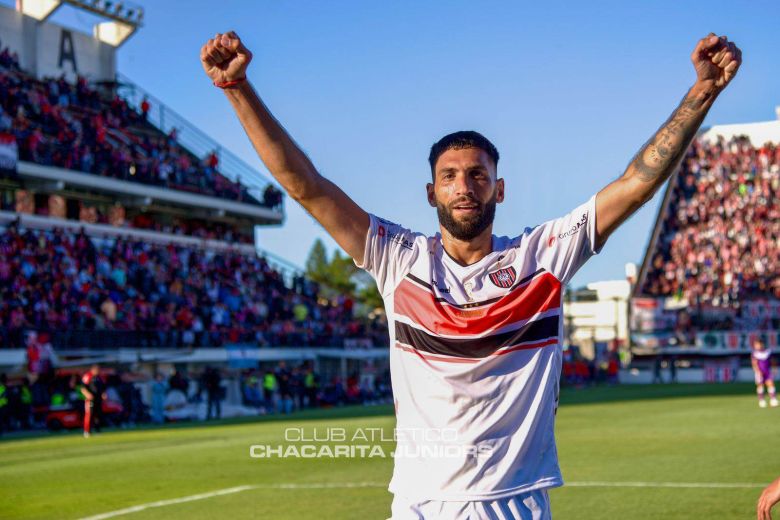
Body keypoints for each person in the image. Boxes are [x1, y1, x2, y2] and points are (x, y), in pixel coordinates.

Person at [201, 30, 741, 519]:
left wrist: (702, 93)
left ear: (498, 189)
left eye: (478, 175)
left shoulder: (542, 256)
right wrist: (238, 88)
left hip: (515, 503)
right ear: (431, 191)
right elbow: (308, 188)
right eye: (450, 176)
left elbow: (636, 184)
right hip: (421, 503)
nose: (465, 185)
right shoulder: (399, 259)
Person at [751, 338, 778, 408]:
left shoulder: (768, 352)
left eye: (758, 344)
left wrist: (774, 369)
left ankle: (773, 400)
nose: (757, 346)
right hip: (759, 372)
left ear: (762, 344)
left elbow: (773, 361)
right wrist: (758, 371)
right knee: (760, 386)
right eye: (755, 345)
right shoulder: (755, 353)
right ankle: (761, 400)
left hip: (767, 371)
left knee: (770, 384)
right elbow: (754, 364)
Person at [80, 364, 106, 438]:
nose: (98, 371)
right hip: (90, 400)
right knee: (89, 414)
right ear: (93, 370)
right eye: (97, 370)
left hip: (98, 399)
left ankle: (97, 430)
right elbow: (83, 387)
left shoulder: (99, 377)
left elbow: (103, 387)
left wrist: (103, 394)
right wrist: (87, 394)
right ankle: (87, 431)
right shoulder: (88, 376)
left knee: (98, 414)